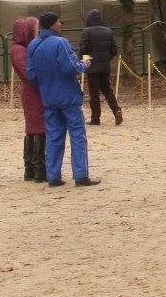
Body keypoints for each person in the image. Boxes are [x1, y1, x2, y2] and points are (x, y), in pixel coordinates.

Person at [26, 12, 100, 187]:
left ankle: (53, 176)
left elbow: (31, 73)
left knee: (53, 136)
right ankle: (80, 175)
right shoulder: (61, 43)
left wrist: (44, 85)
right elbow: (70, 68)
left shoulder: (33, 45)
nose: (61, 25)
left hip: (48, 97)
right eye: (59, 22)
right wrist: (84, 65)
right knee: (77, 134)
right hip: (68, 96)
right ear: (53, 24)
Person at [10, 17, 46, 182]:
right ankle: (38, 169)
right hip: (32, 92)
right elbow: (28, 74)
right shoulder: (19, 50)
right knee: (37, 127)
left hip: (32, 91)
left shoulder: (20, 48)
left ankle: (32, 169)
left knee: (34, 128)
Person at [78, 9, 123, 126]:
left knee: (94, 93)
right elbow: (114, 50)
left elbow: (82, 49)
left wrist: (83, 61)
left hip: (91, 66)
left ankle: (95, 118)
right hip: (105, 66)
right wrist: (107, 58)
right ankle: (116, 110)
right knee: (107, 90)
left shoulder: (86, 31)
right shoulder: (108, 31)